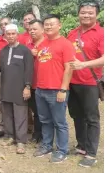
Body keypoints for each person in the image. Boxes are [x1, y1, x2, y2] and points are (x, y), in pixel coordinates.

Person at [33, 14, 75, 163]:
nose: (49, 26)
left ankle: (62, 150)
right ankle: (47, 145)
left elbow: (69, 68)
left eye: (52, 24)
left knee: (59, 122)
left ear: (59, 26)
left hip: (56, 90)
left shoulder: (65, 44)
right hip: (41, 89)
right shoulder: (43, 44)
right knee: (45, 120)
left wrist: (63, 89)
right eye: (46, 24)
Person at [67, 0, 104, 167]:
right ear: (78, 13)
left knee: (92, 118)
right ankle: (81, 145)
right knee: (76, 115)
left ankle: (91, 153)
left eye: (90, 12)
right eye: (83, 12)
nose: (86, 15)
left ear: (96, 14)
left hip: (90, 83)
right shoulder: (72, 33)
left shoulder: (101, 33)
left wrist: (84, 65)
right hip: (73, 82)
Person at [0, 24, 33, 154]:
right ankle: (10, 136)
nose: (10, 36)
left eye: (13, 34)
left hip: (20, 88)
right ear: (5, 35)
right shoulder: (3, 51)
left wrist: (27, 87)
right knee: (8, 114)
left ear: (17, 35)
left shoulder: (25, 51)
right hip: (6, 88)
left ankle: (21, 141)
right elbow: (3, 69)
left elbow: (29, 70)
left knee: (20, 115)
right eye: (8, 34)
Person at [27, 19, 46, 143]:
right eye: (30, 29)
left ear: (42, 30)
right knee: (36, 111)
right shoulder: (28, 46)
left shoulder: (48, 44)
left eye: (35, 29)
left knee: (44, 112)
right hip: (31, 83)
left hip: (45, 84)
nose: (32, 31)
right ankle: (37, 133)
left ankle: (44, 135)